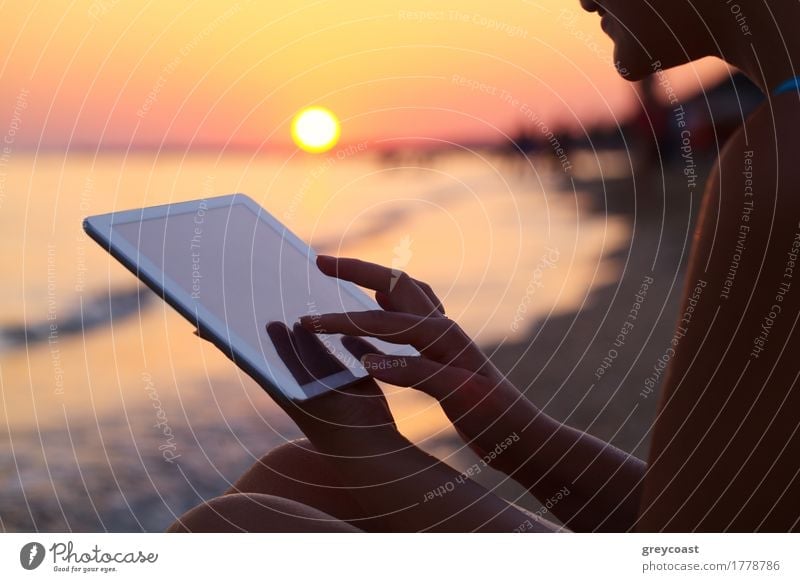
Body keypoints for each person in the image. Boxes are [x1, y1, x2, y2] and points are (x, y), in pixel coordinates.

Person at [168, 0, 800, 532]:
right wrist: (506, 420)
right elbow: (708, 519)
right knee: (300, 472)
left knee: (228, 530)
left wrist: (376, 452)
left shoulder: (779, 161)